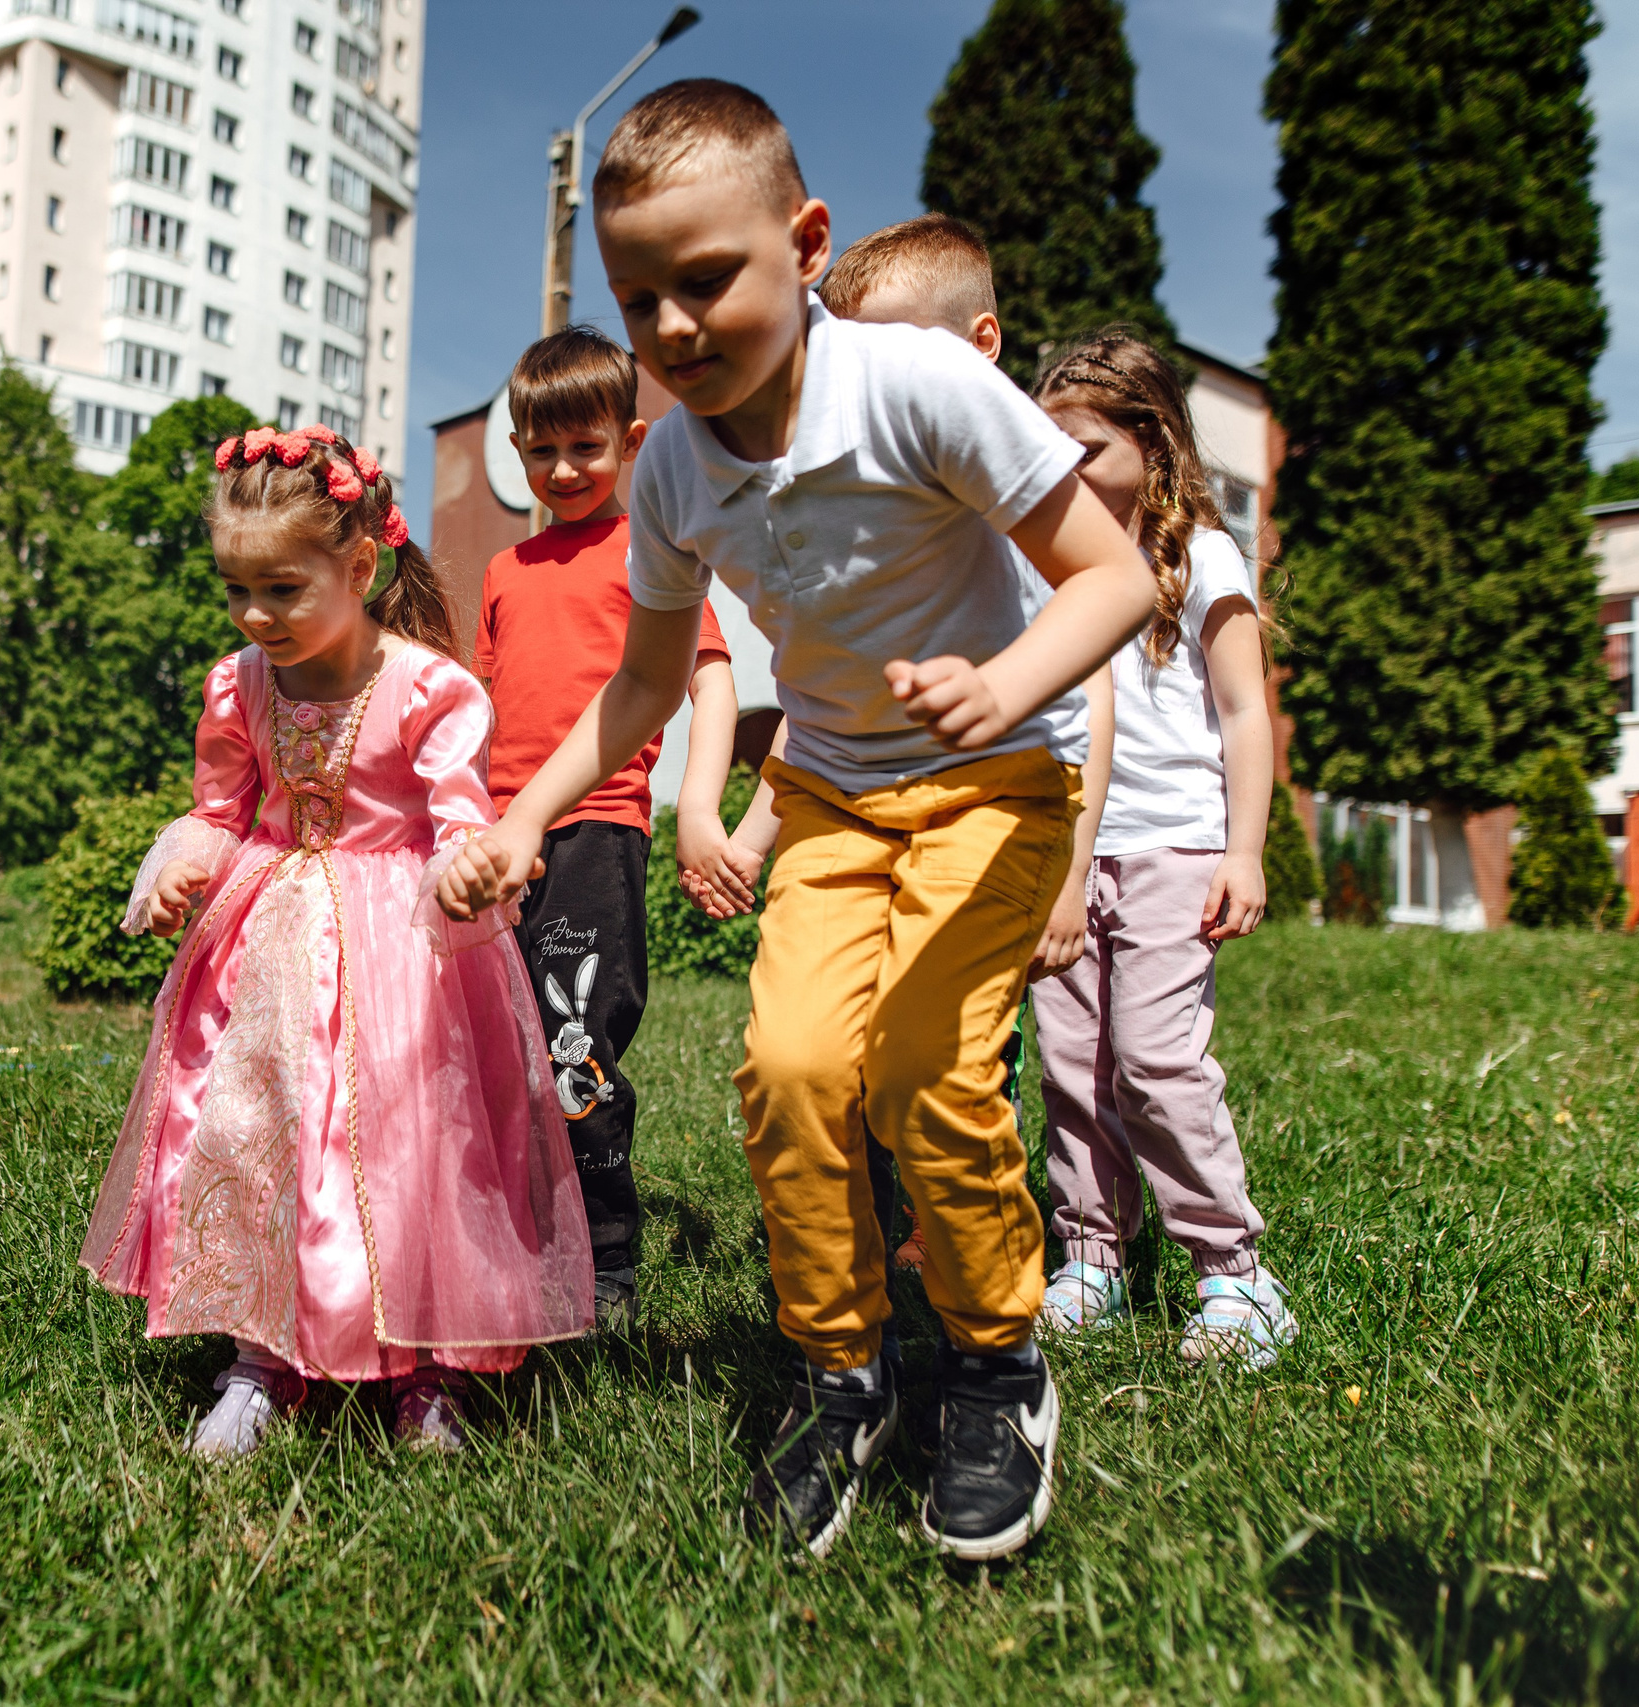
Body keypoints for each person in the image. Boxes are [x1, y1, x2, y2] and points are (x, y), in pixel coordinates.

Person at [436, 80, 1154, 1561]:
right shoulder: (673, 467)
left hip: (994, 780)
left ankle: (998, 1369)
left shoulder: (915, 384)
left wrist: (1001, 681)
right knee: (792, 1069)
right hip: (832, 796)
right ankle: (842, 1371)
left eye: (708, 280)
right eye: (640, 299)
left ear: (807, 243)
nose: (674, 325)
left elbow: (1114, 576)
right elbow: (645, 683)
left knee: (928, 1070)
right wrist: (528, 818)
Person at [80, 424, 592, 1460]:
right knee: (256, 1134)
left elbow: (459, 819)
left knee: (413, 1148)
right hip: (268, 948)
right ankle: (262, 1355)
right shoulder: (241, 684)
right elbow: (223, 808)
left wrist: (469, 868)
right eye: (236, 590)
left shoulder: (428, 688)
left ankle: (430, 1365)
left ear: (358, 569)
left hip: (402, 953)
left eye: (282, 589)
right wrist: (186, 860)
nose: (254, 615)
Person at [682, 214, 1118, 1279]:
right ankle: (863, 1273)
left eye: (892, 346)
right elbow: (822, 704)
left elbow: (1090, 684)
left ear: (980, 345)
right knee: (818, 1056)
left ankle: (974, 1271)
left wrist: (1070, 872)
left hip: (995, 812)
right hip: (858, 817)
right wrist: (749, 834)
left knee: (944, 1060)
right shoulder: (869, 509)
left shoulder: (1010, 493)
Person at [1024, 331, 1297, 1367]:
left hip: (1174, 850)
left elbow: (1245, 713)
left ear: (1152, 442)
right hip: (1067, 854)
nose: (1066, 467)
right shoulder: (1055, 566)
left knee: (1153, 1061)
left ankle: (1234, 1272)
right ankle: (1091, 1254)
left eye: (1087, 447)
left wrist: (1245, 851)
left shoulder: (1203, 558)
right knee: (1070, 1066)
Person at [473, 325, 738, 1334]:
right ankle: (508, 1235)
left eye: (584, 447)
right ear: (516, 450)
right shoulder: (503, 570)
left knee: (572, 1047)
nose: (562, 469)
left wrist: (700, 807)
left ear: (630, 442)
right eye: (540, 450)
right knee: (497, 1051)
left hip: (597, 830)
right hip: (502, 836)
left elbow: (710, 681)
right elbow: (480, 711)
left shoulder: (650, 551)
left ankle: (604, 1252)